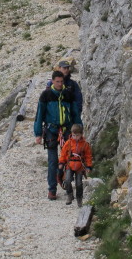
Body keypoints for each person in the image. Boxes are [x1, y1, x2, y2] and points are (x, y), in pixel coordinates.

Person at [34, 70, 82, 200]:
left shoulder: (68, 94)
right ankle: (52, 189)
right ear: (53, 81)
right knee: (52, 160)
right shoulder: (46, 95)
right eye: (57, 81)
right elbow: (39, 115)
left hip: (66, 130)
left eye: (61, 81)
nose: (60, 84)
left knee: (68, 159)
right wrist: (38, 133)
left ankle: (67, 185)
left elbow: (75, 113)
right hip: (51, 130)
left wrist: (79, 130)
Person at [58, 123, 93, 207]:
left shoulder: (85, 144)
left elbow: (88, 156)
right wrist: (61, 163)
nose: (75, 137)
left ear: (81, 134)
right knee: (67, 180)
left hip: (80, 166)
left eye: (77, 135)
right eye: (73, 135)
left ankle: (79, 199)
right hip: (69, 165)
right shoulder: (68, 143)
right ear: (71, 134)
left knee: (79, 184)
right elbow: (63, 153)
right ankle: (70, 195)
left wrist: (88, 166)